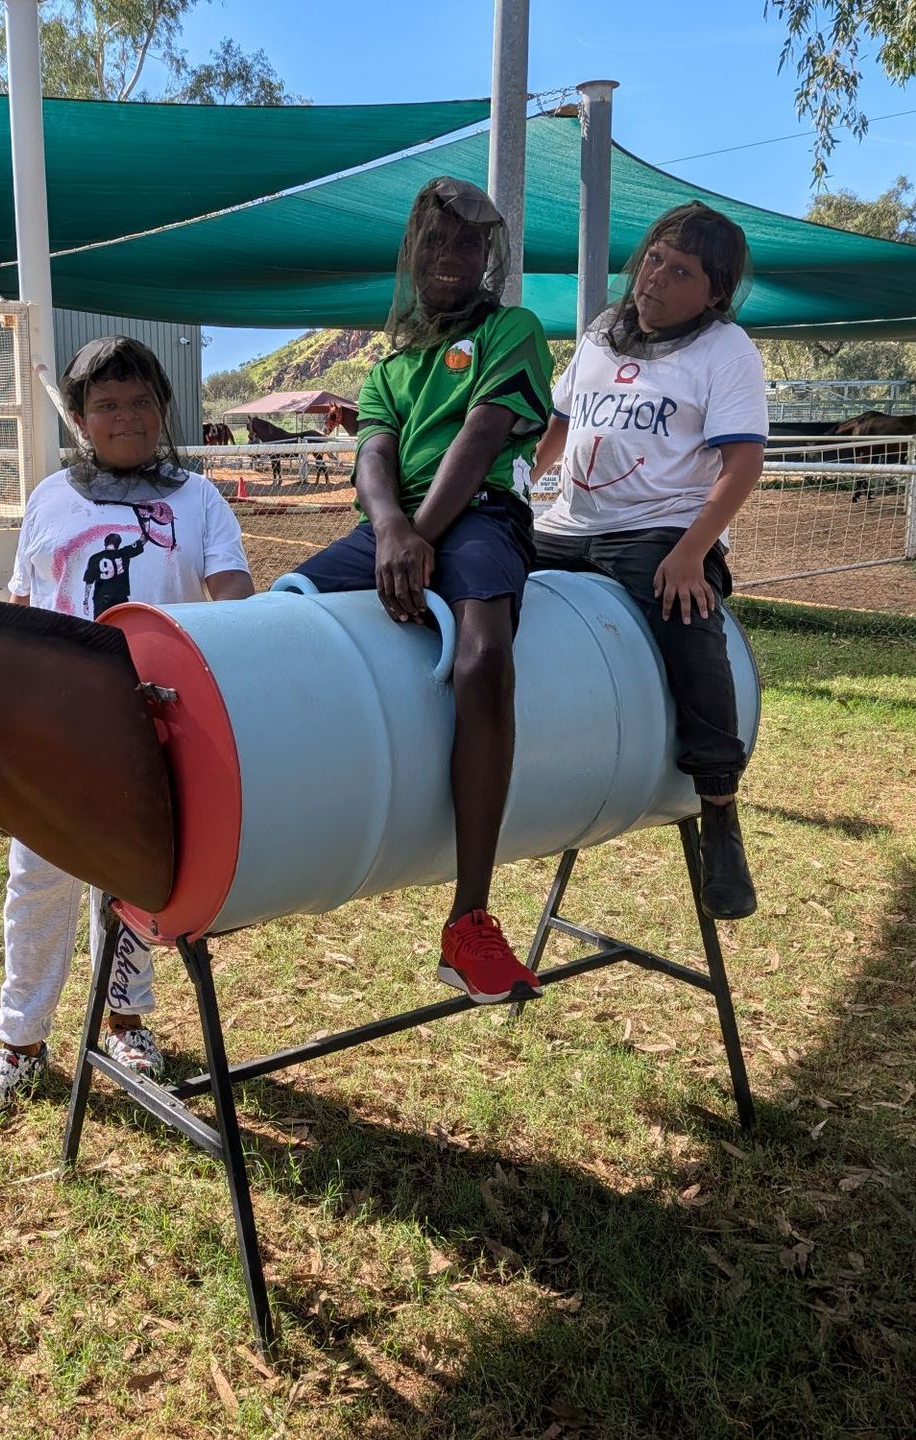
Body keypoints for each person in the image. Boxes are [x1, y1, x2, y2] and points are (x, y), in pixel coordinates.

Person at [0, 336, 254, 1113]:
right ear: (82, 420)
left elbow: (233, 599)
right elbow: (26, 607)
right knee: (39, 882)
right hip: (56, 732)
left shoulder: (198, 500)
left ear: (163, 410)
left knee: (136, 883)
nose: (125, 417)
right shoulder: (50, 498)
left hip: (158, 730)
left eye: (140, 401)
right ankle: (18, 1041)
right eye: (105, 404)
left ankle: (125, 1019)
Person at [291, 176, 552, 1005]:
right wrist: (392, 531)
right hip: (397, 525)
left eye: (468, 244)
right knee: (284, 605)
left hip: (478, 518)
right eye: (435, 243)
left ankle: (469, 919)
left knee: (480, 660)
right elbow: (372, 456)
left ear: (488, 257)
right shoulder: (391, 362)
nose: (450, 258)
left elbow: (479, 442)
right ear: (413, 254)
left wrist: (418, 536)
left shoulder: (514, 329)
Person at [528, 201, 766, 919]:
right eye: (656, 257)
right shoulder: (603, 331)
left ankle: (719, 806)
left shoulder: (727, 350)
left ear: (714, 291)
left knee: (690, 623)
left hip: (657, 529)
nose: (656, 277)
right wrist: (512, 489)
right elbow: (560, 425)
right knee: (476, 568)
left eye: (682, 270)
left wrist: (694, 552)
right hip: (568, 523)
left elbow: (743, 464)